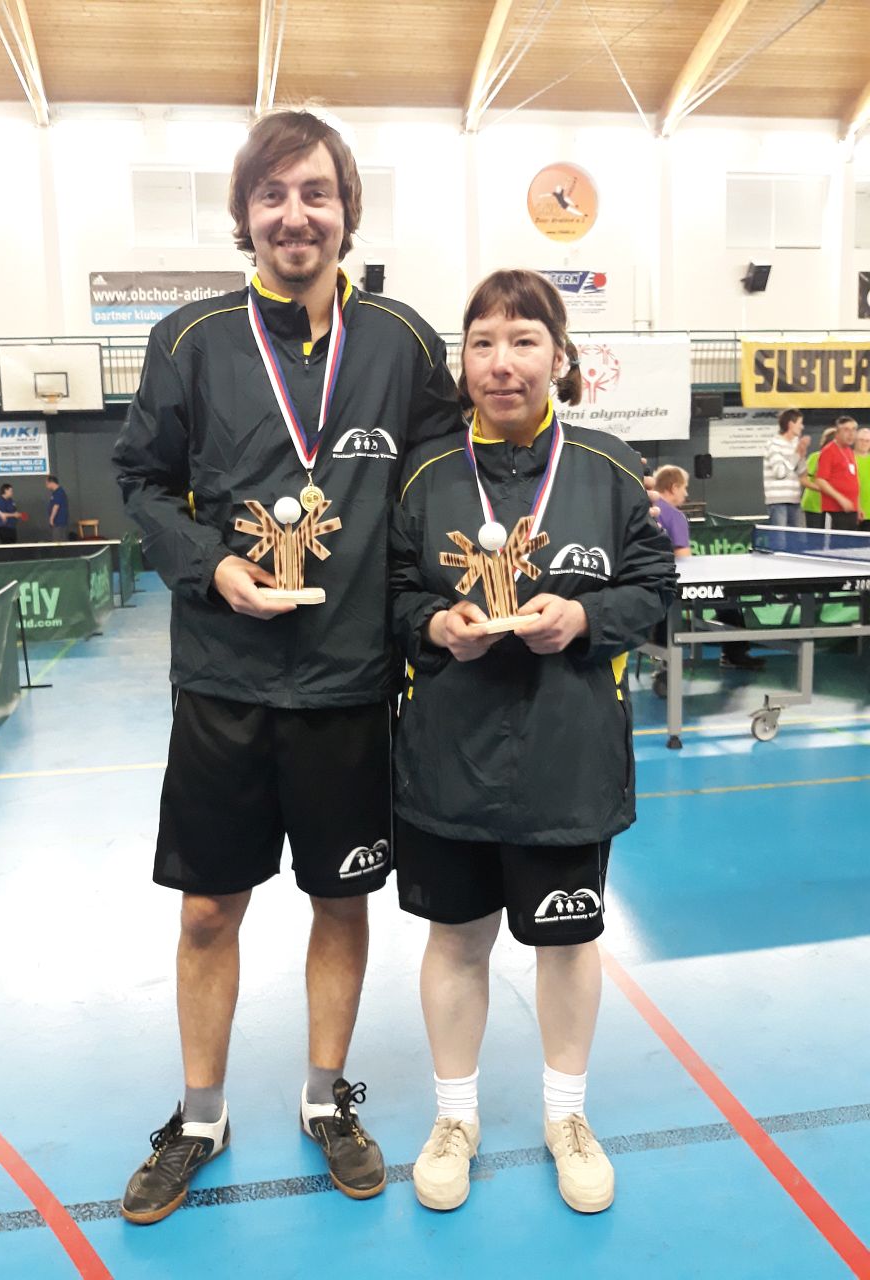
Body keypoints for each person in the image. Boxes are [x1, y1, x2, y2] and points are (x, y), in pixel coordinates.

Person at [112, 108, 462, 1224]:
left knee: (339, 898)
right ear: (245, 214)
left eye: (316, 192)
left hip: (352, 685)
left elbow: (447, 487)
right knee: (207, 911)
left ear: (348, 208)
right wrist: (212, 567)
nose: (295, 214)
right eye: (272, 195)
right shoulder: (190, 340)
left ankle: (325, 1097)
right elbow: (140, 481)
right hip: (224, 682)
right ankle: (200, 1116)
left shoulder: (403, 344)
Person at [388, 269, 677, 1216]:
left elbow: (655, 590)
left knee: (567, 942)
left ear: (560, 356)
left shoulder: (611, 468)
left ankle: (566, 1118)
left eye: (523, 341)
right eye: (483, 342)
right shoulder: (425, 475)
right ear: (462, 361)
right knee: (456, 940)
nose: (502, 363)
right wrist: (437, 625)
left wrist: (585, 619)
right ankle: (454, 1120)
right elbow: (391, 595)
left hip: (567, 756)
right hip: (450, 755)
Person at [651, 464, 764, 672]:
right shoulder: (675, 516)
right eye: (684, 487)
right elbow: (684, 561)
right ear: (673, 487)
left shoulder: (642, 509)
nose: (686, 493)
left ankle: (658, 654)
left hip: (645, 582)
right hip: (670, 586)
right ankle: (734, 654)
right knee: (726, 597)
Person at [762, 409, 809, 526]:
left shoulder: (796, 444)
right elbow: (780, 472)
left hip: (795, 500)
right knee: (780, 537)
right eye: (800, 423)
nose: (802, 427)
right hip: (778, 502)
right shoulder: (773, 444)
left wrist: (802, 454)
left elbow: (801, 472)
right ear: (791, 424)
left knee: (798, 536)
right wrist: (797, 454)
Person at [815, 416, 860, 531]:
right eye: (846, 430)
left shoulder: (849, 451)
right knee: (835, 542)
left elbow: (853, 481)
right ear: (837, 433)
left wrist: (858, 507)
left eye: (854, 429)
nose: (851, 434)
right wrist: (841, 499)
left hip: (850, 510)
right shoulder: (828, 451)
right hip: (834, 511)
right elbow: (820, 480)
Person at [801, 427, 837, 529]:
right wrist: (823, 489)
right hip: (814, 505)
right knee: (815, 536)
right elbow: (804, 480)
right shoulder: (816, 457)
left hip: (833, 506)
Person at [854, 424, 870, 531]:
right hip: (852, 512)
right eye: (861, 440)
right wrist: (857, 507)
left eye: (867, 441)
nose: (864, 443)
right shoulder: (847, 458)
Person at [46, 475, 69, 541]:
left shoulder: (59, 492)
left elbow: (56, 506)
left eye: (47, 484)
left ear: (51, 482)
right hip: (58, 522)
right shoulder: (55, 492)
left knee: (58, 541)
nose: (46, 486)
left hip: (59, 522)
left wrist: (51, 518)